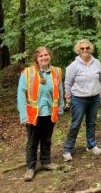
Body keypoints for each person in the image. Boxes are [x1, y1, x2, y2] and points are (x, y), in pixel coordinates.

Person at [17, 47, 64, 181]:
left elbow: (60, 90)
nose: (44, 57)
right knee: (32, 141)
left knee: (47, 139)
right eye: (41, 56)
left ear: (50, 56)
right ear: (37, 59)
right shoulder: (27, 73)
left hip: (50, 113)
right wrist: (23, 115)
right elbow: (20, 94)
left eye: (46, 55)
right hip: (33, 114)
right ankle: (30, 168)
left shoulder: (56, 72)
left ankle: (46, 162)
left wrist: (60, 108)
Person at [63, 39, 101, 162]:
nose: (85, 50)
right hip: (78, 99)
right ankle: (67, 149)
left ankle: (91, 145)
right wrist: (68, 97)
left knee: (91, 122)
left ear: (90, 49)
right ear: (78, 50)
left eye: (87, 48)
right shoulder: (73, 66)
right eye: (82, 48)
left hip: (94, 98)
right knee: (76, 124)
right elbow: (68, 83)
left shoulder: (96, 62)